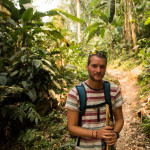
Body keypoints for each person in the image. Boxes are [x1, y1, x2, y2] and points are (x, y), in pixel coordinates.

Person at [65, 50, 124, 150]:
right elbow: (72, 128)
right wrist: (96, 134)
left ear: (105, 68)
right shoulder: (75, 93)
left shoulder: (114, 91)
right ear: (87, 67)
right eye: (94, 66)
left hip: (108, 147)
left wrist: (115, 133)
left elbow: (119, 119)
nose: (98, 70)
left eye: (102, 66)